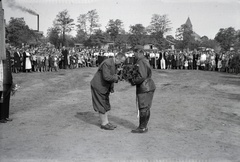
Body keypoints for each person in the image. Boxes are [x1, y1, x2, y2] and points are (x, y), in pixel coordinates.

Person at [90, 52, 126, 130]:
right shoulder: (107, 63)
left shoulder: (113, 63)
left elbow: (111, 76)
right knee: (101, 104)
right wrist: (117, 78)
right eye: (121, 62)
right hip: (98, 86)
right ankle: (104, 124)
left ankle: (106, 122)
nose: (121, 64)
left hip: (104, 87)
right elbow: (106, 77)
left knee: (105, 104)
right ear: (117, 58)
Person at [131, 45, 156, 133]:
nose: (133, 54)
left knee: (143, 108)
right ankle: (144, 126)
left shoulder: (140, 61)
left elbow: (141, 76)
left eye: (134, 52)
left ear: (139, 52)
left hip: (144, 87)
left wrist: (133, 81)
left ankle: (142, 127)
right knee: (146, 108)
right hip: (149, 86)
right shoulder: (145, 60)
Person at [0, 42, 15, 123]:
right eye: (7, 43)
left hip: (8, 78)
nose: (9, 45)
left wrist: (11, 79)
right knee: (1, 98)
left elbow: (9, 68)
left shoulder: (8, 52)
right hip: (2, 78)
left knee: (7, 98)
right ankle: (1, 116)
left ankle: (5, 116)